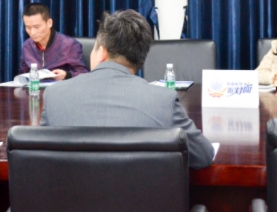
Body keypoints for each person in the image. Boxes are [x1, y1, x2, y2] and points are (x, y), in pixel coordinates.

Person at [40, 9, 215, 169]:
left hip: (72, 194)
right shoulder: (163, 100)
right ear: (140, 60)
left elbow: (39, 158)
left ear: (101, 52)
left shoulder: (55, 95)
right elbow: (203, 155)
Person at [20, 2, 88, 80]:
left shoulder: (69, 45)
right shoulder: (27, 46)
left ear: (49, 23)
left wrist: (67, 75)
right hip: (35, 87)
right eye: (28, 27)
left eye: (37, 27)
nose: (32, 32)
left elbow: (84, 73)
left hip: (60, 86)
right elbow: (23, 73)